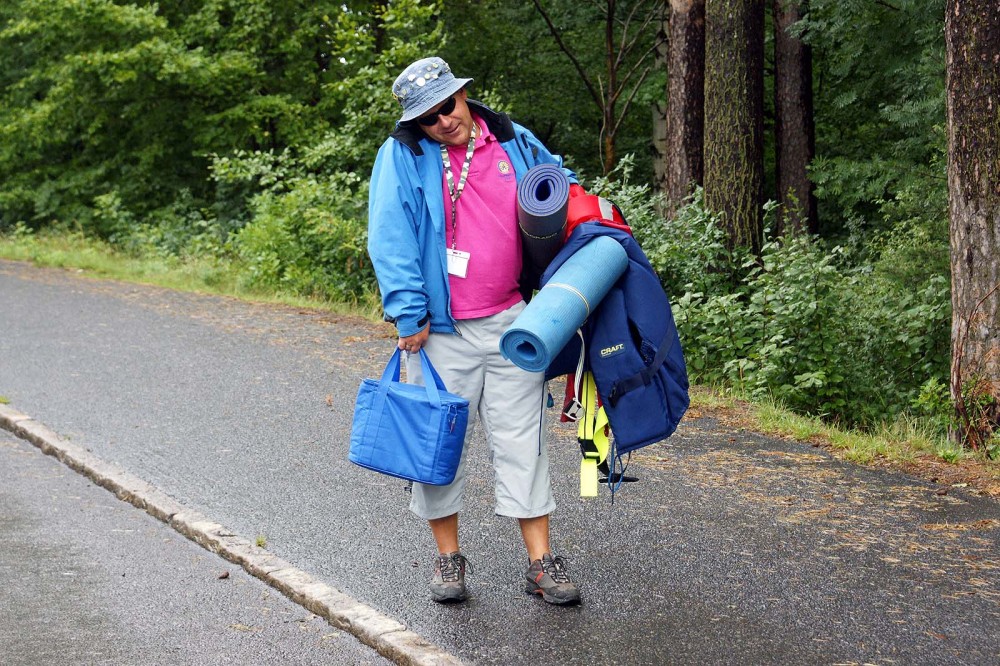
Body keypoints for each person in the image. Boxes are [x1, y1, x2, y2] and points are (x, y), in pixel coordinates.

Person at [367, 56, 580, 606]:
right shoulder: (403, 155)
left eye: (447, 106)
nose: (442, 121)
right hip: (438, 333)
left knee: (523, 443)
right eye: (428, 116)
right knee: (437, 446)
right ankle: (449, 560)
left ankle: (540, 565)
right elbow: (389, 237)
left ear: (464, 96)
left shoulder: (511, 139)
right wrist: (408, 314)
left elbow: (561, 187)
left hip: (514, 322)